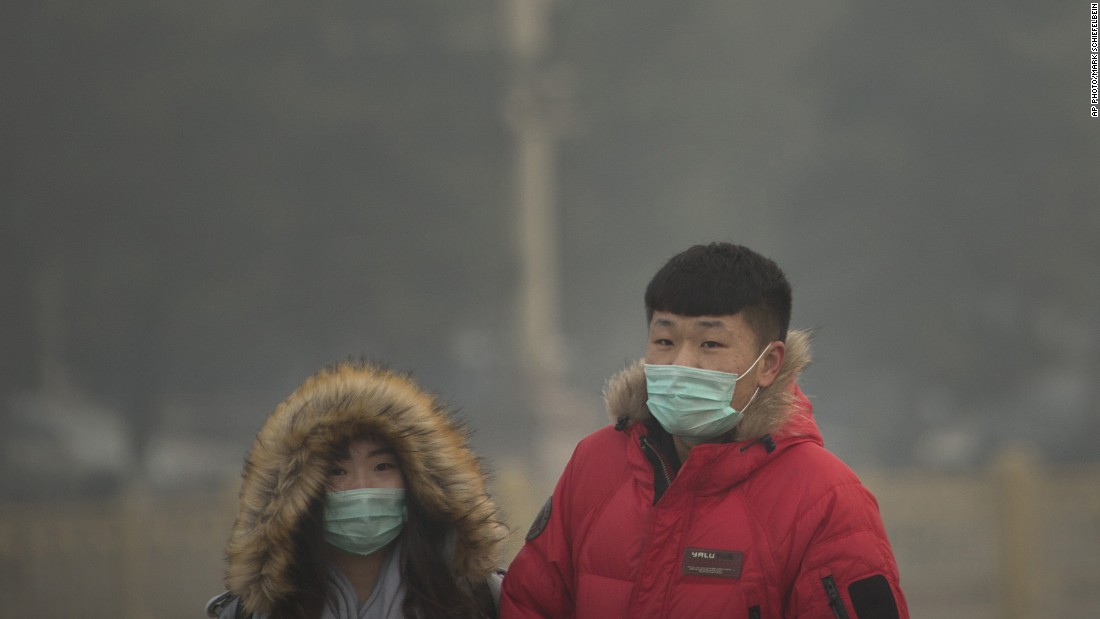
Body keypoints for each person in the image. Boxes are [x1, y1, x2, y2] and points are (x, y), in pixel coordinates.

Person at [500, 242, 908, 618]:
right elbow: (528, 604)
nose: (681, 363)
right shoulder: (596, 464)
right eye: (664, 340)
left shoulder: (824, 499)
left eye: (710, 344)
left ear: (768, 364)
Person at [206, 361, 509, 619]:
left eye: (382, 468)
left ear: (417, 481)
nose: (362, 487)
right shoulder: (258, 611)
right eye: (338, 471)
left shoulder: (479, 600)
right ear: (300, 493)